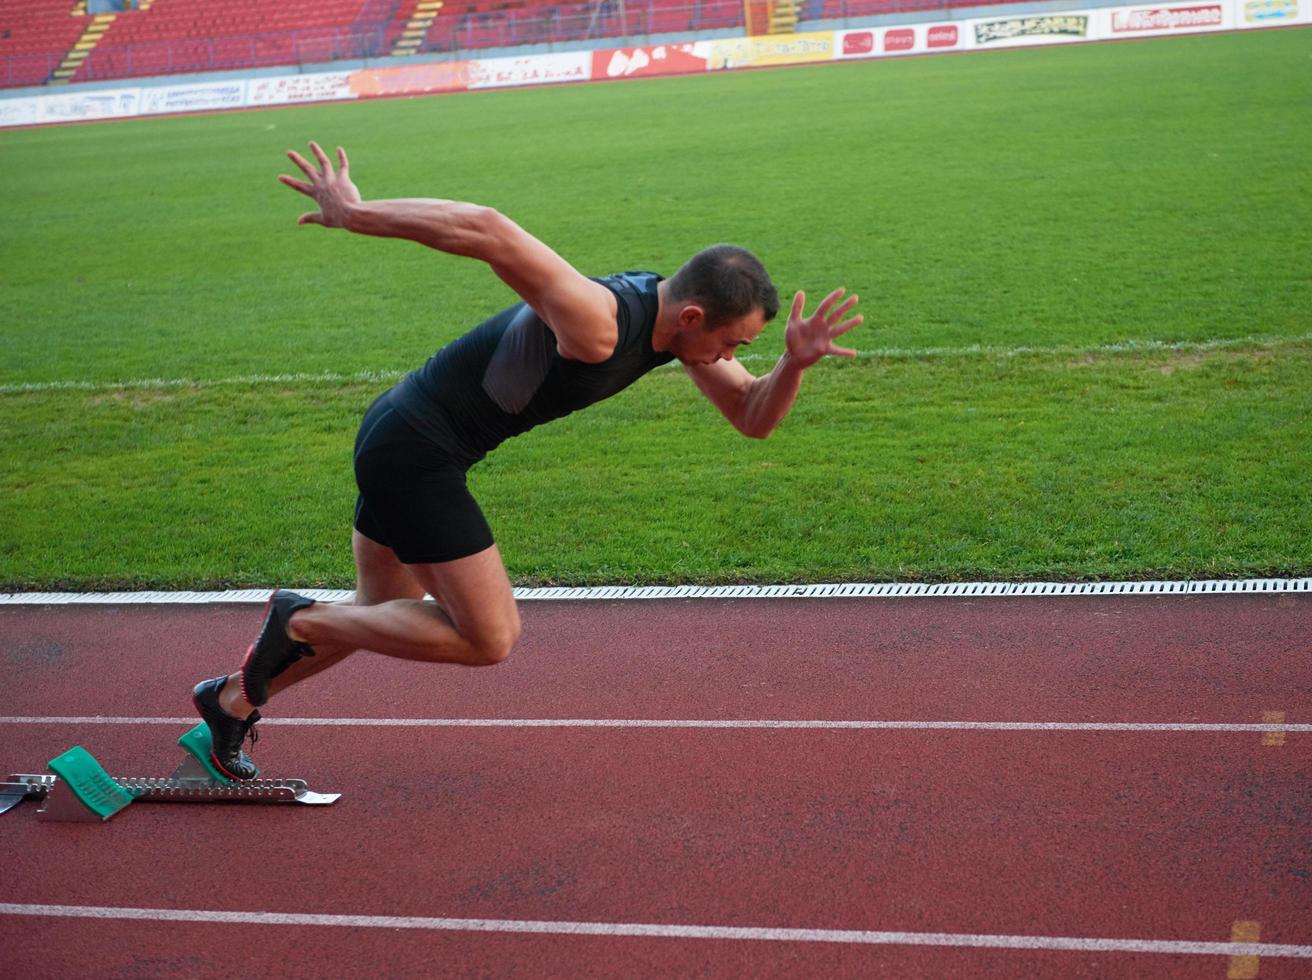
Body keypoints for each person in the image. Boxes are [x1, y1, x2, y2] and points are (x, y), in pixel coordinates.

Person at [191, 141, 863, 780]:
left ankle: (228, 704)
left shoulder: (673, 335)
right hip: (417, 450)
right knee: (487, 638)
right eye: (731, 342)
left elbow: (751, 415)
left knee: (385, 612)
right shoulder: (599, 321)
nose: (729, 356)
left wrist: (793, 364)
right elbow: (488, 229)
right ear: (692, 315)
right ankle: (297, 618)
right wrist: (355, 214)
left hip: (405, 434)